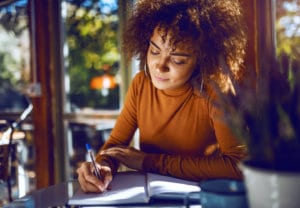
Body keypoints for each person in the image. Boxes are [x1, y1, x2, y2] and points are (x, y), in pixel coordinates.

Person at [77, 0, 248, 193]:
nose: (160, 66)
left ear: (201, 62)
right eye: (154, 51)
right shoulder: (141, 83)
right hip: (150, 198)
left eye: (178, 59)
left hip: (204, 197)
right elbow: (116, 144)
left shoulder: (215, 92)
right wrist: (102, 165)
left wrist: (148, 161)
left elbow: (238, 164)